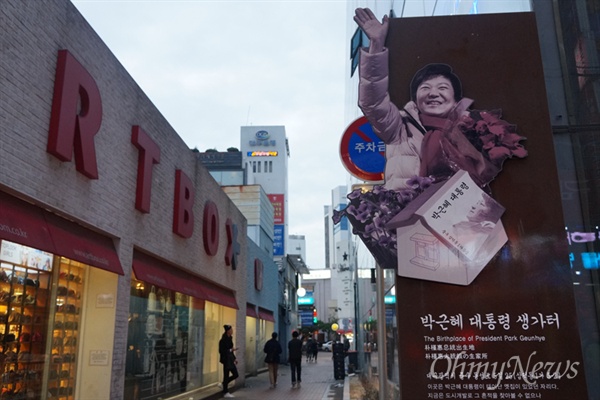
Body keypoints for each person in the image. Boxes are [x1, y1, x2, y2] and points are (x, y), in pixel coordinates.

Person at [353, 7, 502, 192]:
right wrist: (376, 46)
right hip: (410, 217)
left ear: (456, 99)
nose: (433, 94)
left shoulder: (474, 129)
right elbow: (372, 102)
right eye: (425, 88)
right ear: (415, 99)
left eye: (442, 88)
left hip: (466, 216)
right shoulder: (399, 129)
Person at [218, 325, 239, 398]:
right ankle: (225, 391)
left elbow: (231, 351)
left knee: (236, 374)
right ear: (228, 331)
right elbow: (221, 351)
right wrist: (230, 350)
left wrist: (234, 358)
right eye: (231, 329)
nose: (232, 330)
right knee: (226, 375)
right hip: (226, 360)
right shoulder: (222, 340)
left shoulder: (230, 339)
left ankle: (224, 384)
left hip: (230, 359)